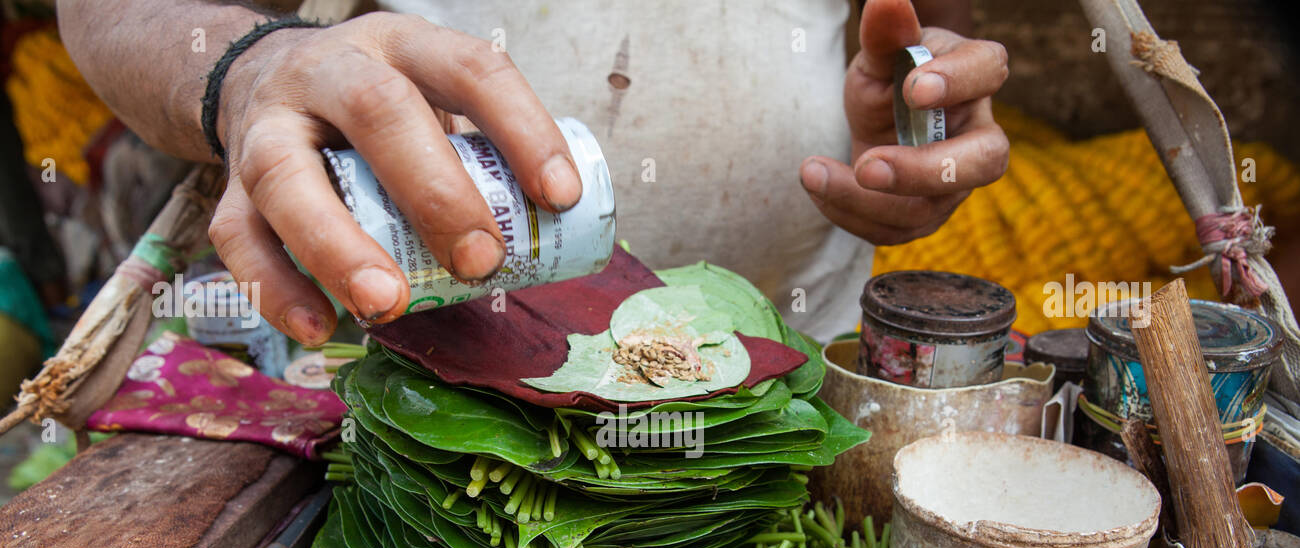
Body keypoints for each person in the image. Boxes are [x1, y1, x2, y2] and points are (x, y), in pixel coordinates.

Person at [57, 0, 1009, 345]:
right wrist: (247, 72)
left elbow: (919, 35)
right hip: (440, 388)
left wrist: (910, 146)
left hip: (792, 380)